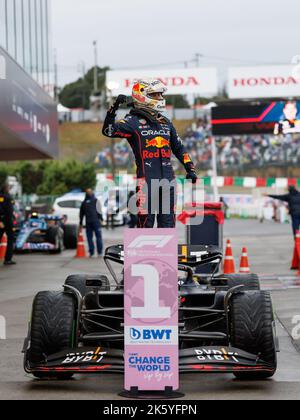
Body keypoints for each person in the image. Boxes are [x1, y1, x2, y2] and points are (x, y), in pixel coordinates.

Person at [102, 79, 198, 228]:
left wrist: (190, 168)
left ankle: (167, 252)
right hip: (145, 182)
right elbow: (108, 131)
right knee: (145, 224)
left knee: (168, 225)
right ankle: (144, 251)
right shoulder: (132, 121)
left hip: (168, 181)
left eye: (160, 94)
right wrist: (114, 108)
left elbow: (179, 148)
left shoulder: (165, 122)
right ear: (142, 96)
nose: (160, 98)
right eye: (155, 94)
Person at [79, 189, 103, 257]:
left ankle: (92, 252)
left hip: (89, 222)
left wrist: (80, 223)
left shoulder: (84, 202)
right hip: (95, 222)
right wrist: (101, 219)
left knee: (90, 237)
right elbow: (99, 210)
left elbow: (81, 214)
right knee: (98, 237)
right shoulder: (95, 200)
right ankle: (99, 252)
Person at [0, 183, 16, 266]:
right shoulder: (5, 197)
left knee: (10, 238)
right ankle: (8, 259)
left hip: (6, 221)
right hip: (5, 221)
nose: (9, 189)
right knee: (10, 238)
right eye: (9, 188)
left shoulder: (5, 196)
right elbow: (6, 210)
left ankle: (8, 259)